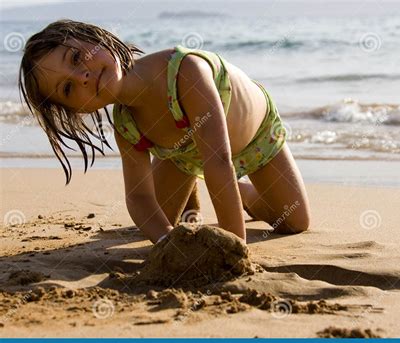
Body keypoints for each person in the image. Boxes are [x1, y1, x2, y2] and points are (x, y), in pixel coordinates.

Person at [19, 19, 310, 244]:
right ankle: (192, 187)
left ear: (98, 38)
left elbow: (218, 160)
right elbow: (138, 198)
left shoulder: (185, 72)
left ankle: (245, 194)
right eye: (67, 89)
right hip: (187, 155)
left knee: (294, 221)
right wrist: (166, 242)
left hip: (253, 136)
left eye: (76, 58)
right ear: (77, 111)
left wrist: (233, 246)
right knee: (159, 220)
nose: (82, 76)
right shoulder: (126, 124)